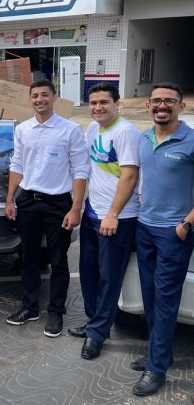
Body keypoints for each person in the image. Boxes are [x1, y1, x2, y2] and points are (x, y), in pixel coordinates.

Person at [5, 78, 89, 337]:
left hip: (58, 203)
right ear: (30, 99)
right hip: (28, 201)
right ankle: (30, 307)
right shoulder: (23, 130)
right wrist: (10, 198)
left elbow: (80, 170)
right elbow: (17, 164)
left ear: (54, 97)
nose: (39, 100)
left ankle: (55, 313)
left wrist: (75, 208)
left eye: (44, 95)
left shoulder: (70, 130)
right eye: (35, 96)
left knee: (58, 261)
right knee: (29, 258)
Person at [130, 82, 194, 397]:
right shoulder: (143, 138)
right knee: (150, 296)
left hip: (174, 233)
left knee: (166, 301)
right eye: (156, 100)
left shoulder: (191, 141)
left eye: (169, 100)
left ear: (181, 106)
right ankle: (160, 353)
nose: (162, 106)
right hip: (145, 228)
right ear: (148, 106)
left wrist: (186, 224)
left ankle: (156, 369)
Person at [67, 82, 139, 360]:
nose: (98, 108)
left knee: (109, 277)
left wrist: (113, 214)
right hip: (93, 212)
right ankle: (94, 321)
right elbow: (88, 168)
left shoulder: (125, 132)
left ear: (116, 104)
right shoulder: (94, 129)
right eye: (94, 103)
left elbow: (129, 176)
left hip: (117, 217)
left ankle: (97, 334)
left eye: (104, 102)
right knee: (88, 271)